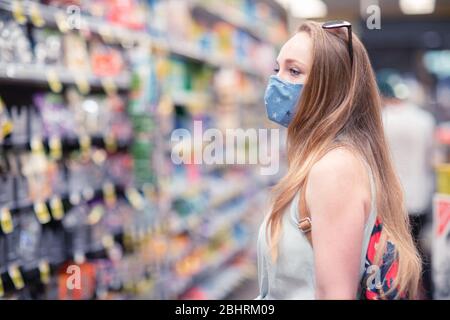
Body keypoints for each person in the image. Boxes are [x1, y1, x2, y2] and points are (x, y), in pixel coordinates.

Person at [256, 20, 421, 300]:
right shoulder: (321, 160)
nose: (277, 81)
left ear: (332, 88)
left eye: (294, 71)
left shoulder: (335, 169)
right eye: (277, 69)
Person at [379, 71, 435, 299]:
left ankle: (398, 291)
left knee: (392, 254)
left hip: (391, 200)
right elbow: (429, 159)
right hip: (419, 195)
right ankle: (426, 291)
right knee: (419, 249)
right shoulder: (425, 120)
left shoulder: (381, 120)